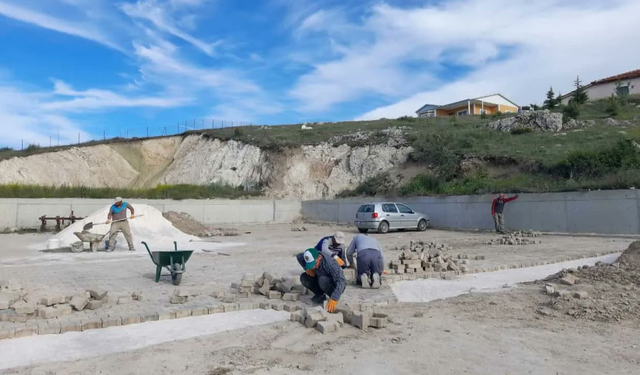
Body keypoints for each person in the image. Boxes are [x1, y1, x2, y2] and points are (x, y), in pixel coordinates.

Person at [297, 248, 346, 313]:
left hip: (332, 285)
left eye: (314, 263)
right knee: (304, 277)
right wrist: (306, 268)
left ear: (319, 257)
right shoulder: (307, 256)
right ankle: (320, 295)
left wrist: (334, 298)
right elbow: (299, 256)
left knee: (322, 280)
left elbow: (342, 281)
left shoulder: (330, 264)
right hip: (319, 279)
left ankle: (331, 297)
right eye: (311, 265)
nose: (313, 267)